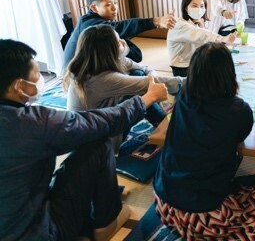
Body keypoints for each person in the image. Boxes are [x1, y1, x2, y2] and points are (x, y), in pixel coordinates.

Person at [0, 39, 167, 240]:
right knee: (98, 143)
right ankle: (105, 224)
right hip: (33, 231)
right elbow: (99, 122)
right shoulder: (28, 124)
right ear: (19, 86)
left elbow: (134, 63)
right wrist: (148, 98)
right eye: (37, 76)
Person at [154, 42, 255, 240]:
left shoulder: (184, 96)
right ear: (229, 74)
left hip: (163, 205)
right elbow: (240, 137)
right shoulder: (238, 109)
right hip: (203, 216)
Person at [65, 24, 184, 150]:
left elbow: (144, 69)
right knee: (137, 92)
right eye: (118, 42)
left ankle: (164, 122)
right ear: (108, 50)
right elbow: (156, 83)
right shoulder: (101, 78)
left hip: (97, 125)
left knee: (138, 75)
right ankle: (166, 124)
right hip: (96, 144)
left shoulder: (96, 62)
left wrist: (151, 77)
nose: (122, 42)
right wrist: (193, 81)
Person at [62, 0, 176, 72]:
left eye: (115, 2)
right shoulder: (89, 25)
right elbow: (120, 27)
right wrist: (156, 21)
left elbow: (136, 55)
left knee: (137, 72)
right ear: (94, 8)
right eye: (108, 5)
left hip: (93, 73)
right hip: (76, 78)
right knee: (137, 75)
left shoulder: (107, 25)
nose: (114, 8)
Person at [167, 0, 236, 77]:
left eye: (202, 6)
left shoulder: (197, 22)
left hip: (195, 63)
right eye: (194, 6)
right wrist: (223, 39)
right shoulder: (179, 24)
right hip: (183, 68)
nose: (199, 9)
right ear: (185, 7)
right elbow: (201, 35)